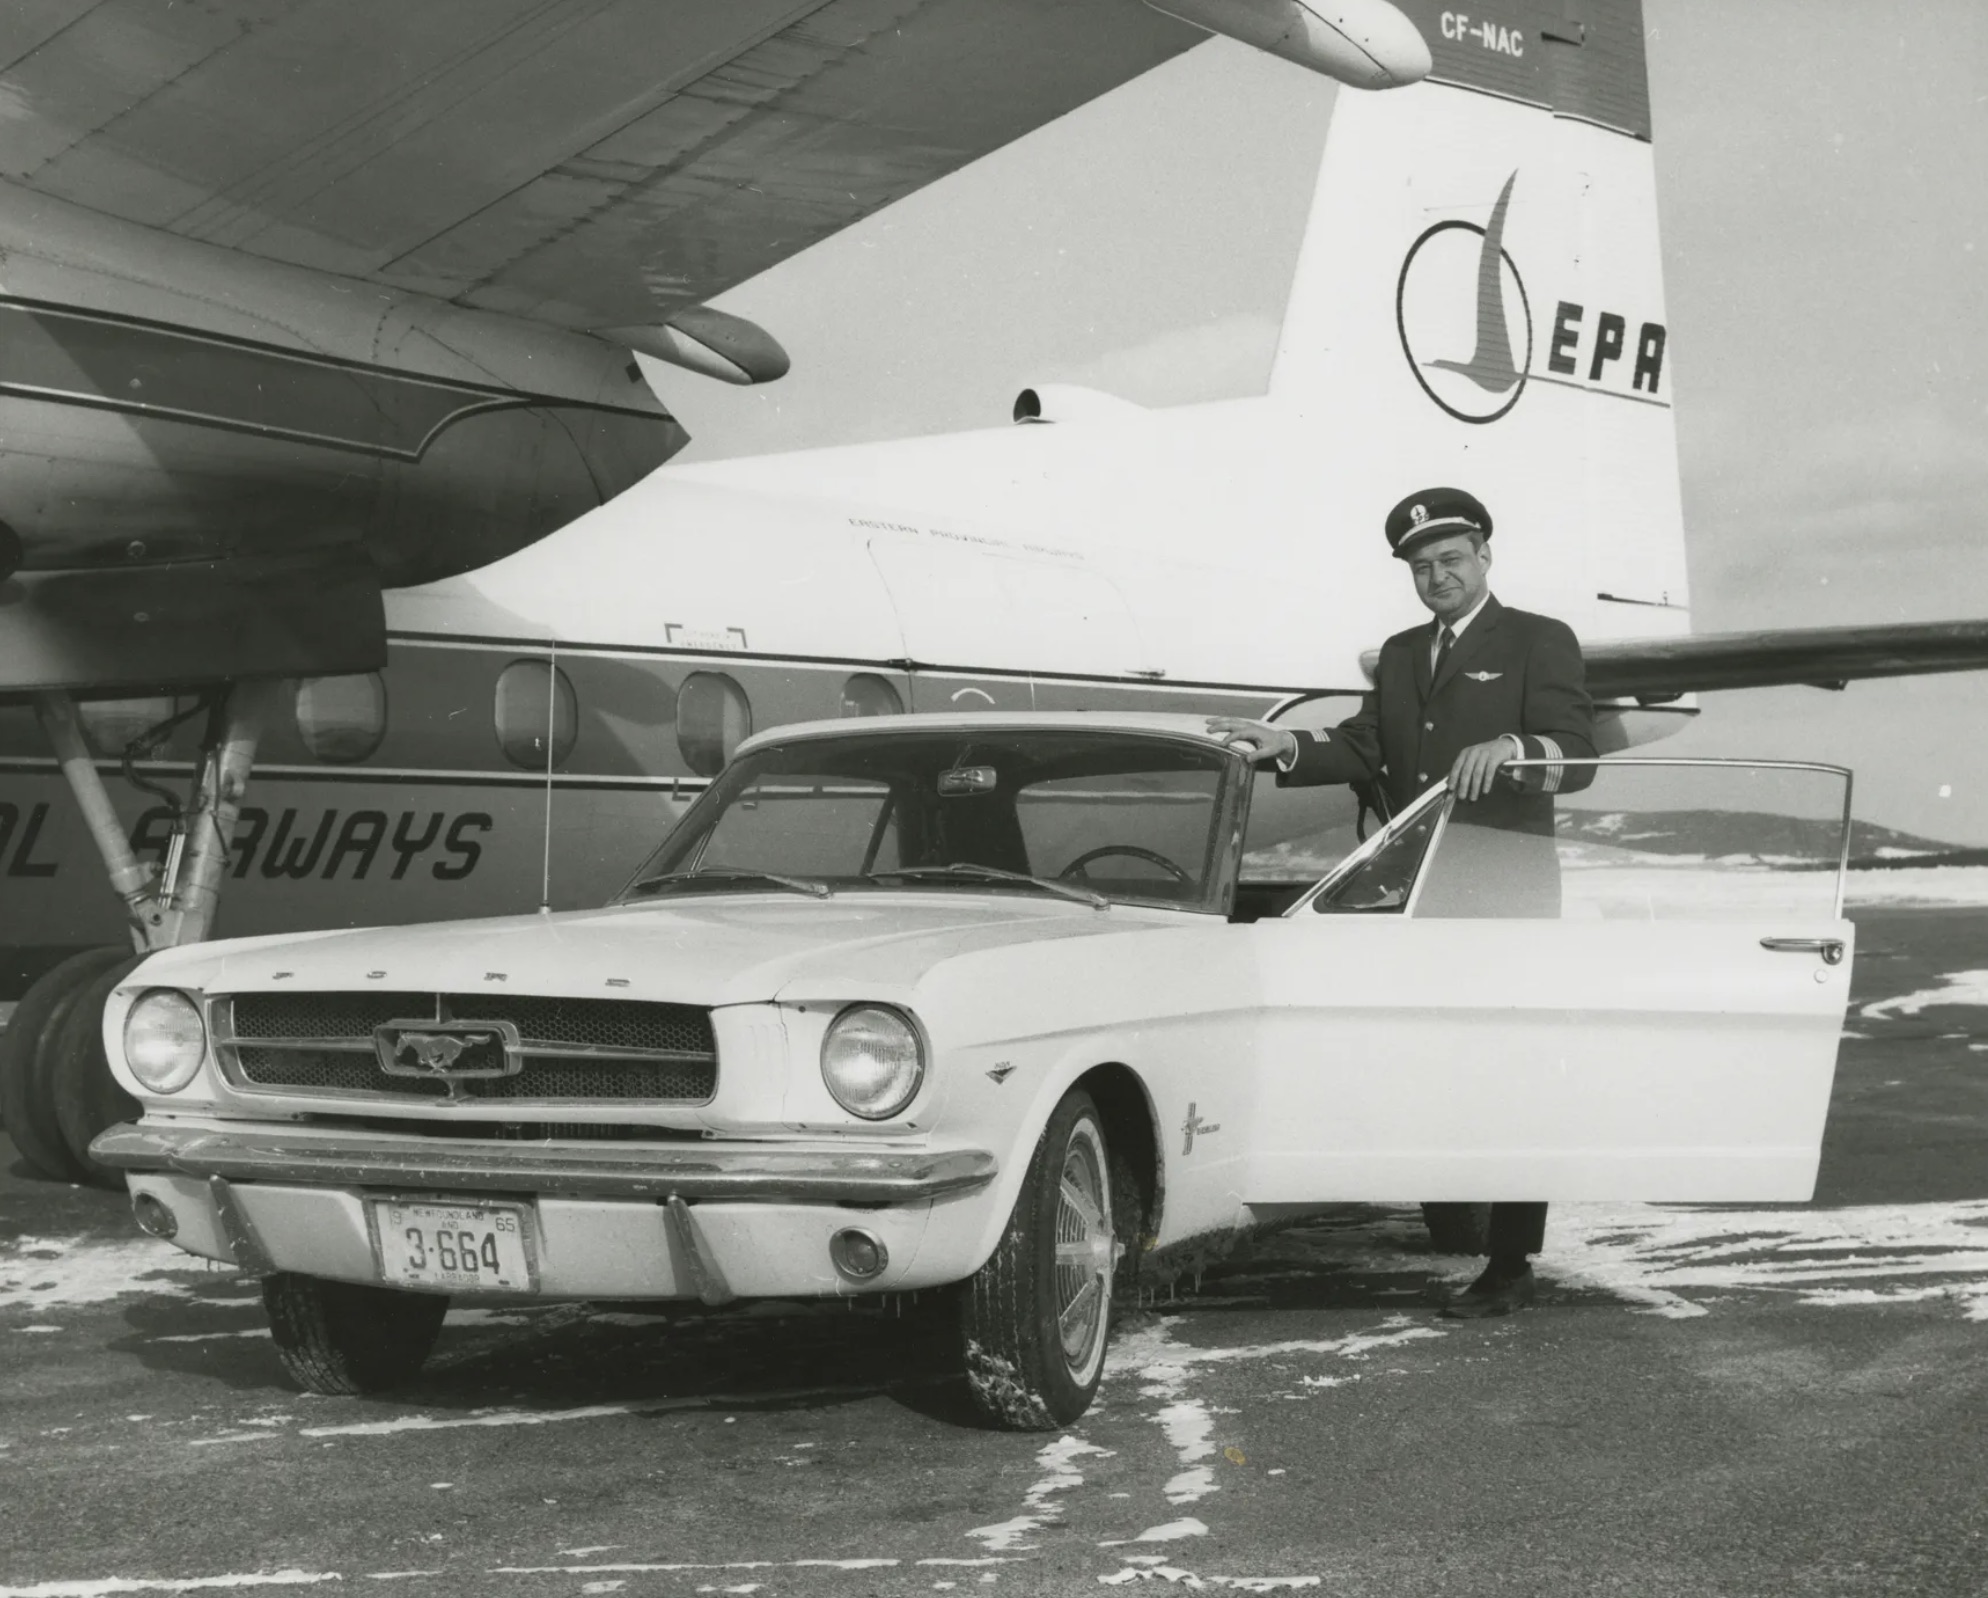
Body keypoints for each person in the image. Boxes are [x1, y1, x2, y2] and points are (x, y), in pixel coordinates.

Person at [1209, 486, 1595, 1319]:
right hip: (1413, 893)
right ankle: (1451, 1213)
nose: (1437, 577)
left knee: (1508, 1075)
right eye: (1421, 567)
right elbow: (1367, 746)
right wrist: (1289, 746)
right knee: (1432, 1063)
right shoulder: (1399, 651)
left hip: (1501, 890)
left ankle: (1510, 1261)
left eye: (1450, 560)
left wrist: (1517, 747)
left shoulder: (1537, 640)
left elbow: (1580, 751)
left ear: (1485, 555)